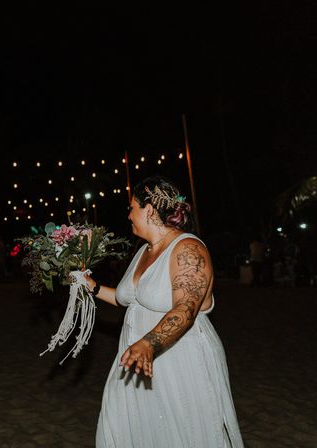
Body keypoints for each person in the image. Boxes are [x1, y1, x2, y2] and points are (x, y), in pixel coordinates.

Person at [84, 175, 243, 447]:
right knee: (124, 426)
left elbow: (186, 309)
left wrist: (149, 343)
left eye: (132, 207)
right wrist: (91, 286)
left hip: (178, 357)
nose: (129, 215)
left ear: (148, 210)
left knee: (183, 433)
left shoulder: (188, 249)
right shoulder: (145, 250)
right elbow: (129, 300)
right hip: (136, 358)